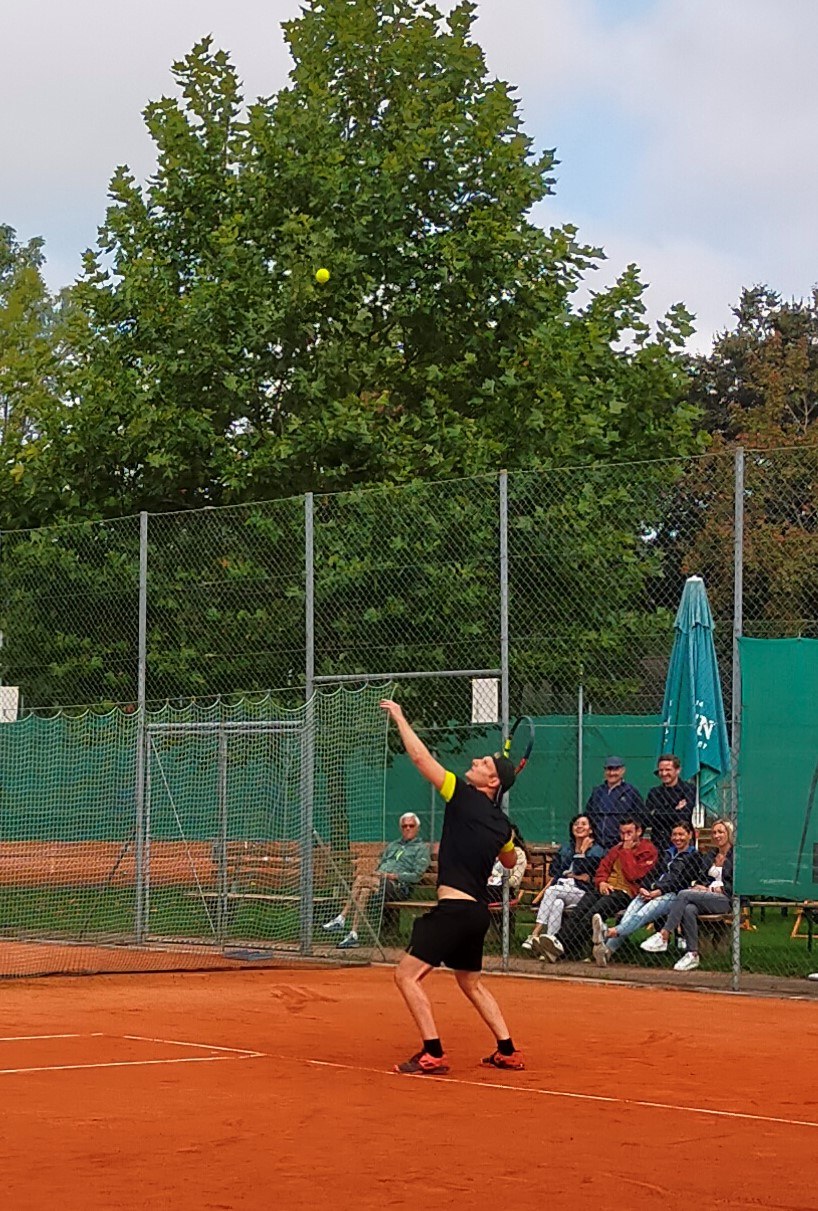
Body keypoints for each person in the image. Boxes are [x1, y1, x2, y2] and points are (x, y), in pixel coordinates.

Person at [379, 698, 525, 1076]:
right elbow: (510, 861)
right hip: (476, 915)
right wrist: (501, 834)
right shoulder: (503, 827)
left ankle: (433, 1052)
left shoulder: (460, 794)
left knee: (405, 976)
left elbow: (420, 759)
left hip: (455, 912)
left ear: (492, 782)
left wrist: (400, 717)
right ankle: (507, 1050)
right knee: (470, 983)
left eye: (484, 763)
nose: (476, 761)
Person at [539, 817, 657, 961]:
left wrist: (626, 852)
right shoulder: (616, 849)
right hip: (606, 888)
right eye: (622, 833)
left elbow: (633, 875)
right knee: (579, 911)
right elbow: (602, 869)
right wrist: (601, 882)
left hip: (626, 892)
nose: (625, 837)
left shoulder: (647, 850)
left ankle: (562, 948)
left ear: (639, 832)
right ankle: (557, 943)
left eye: (629, 833)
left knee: (593, 914)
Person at [592, 820, 706, 966]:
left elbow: (681, 882)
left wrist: (658, 892)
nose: (677, 838)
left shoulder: (694, 856)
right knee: (628, 916)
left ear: (690, 835)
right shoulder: (667, 853)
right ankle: (607, 951)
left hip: (672, 896)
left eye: (681, 834)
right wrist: (644, 888)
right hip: (650, 891)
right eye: (674, 834)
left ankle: (607, 932)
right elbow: (652, 873)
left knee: (641, 915)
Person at [323, 812, 431, 949]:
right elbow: (381, 864)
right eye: (404, 826)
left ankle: (342, 917)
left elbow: (416, 876)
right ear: (400, 828)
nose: (407, 828)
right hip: (379, 882)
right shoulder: (393, 845)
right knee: (364, 891)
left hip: (398, 887)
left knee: (361, 879)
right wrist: (377, 873)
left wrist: (394, 876)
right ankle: (353, 934)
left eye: (411, 826)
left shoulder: (421, 849)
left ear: (417, 828)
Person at [641, 818, 735, 971]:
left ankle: (664, 934)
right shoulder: (711, 855)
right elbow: (703, 878)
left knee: (684, 894)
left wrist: (715, 889)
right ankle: (692, 954)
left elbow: (738, 884)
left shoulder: (736, 856)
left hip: (726, 899)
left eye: (721, 832)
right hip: (707, 896)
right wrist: (701, 886)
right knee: (689, 909)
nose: (716, 835)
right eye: (714, 832)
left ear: (729, 834)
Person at [521, 814, 605, 959]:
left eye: (583, 824)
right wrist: (572, 874)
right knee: (557, 904)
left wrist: (581, 854)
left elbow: (586, 872)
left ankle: (534, 933)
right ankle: (550, 948)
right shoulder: (566, 848)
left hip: (583, 892)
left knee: (552, 891)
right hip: (563, 889)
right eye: (576, 824)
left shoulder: (596, 850)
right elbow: (554, 870)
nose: (579, 826)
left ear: (591, 830)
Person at [584, 757, 645, 850]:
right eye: (609, 769)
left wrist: (629, 840)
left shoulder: (631, 792)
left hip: (621, 845)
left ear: (623, 771)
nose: (612, 773)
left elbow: (642, 819)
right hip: (598, 845)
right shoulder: (597, 792)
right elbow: (589, 815)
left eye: (616, 769)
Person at [645, 754, 696, 856]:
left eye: (668, 770)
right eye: (661, 770)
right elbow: (648, 819)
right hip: (658, 842)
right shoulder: (654, 792)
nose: (664, 773)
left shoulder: (689, 790)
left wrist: (658, 813)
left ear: (677, 770)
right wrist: (676, 810)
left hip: (681, 842)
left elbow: (684, 817)